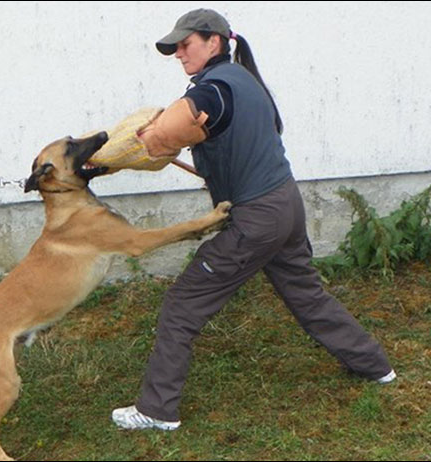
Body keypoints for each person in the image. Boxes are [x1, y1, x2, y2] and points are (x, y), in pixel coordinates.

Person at [111, 8, 396, 431]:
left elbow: (175, 123)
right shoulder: (243, 80)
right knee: (307, 295)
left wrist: (145, 140)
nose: (179, 54)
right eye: (175, 48)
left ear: (213, 41)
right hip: (285, 203)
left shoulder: (213, 90)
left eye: (185, 45)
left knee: (182, 304)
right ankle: (376, 366)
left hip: (258, 218)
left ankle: (157, 410)